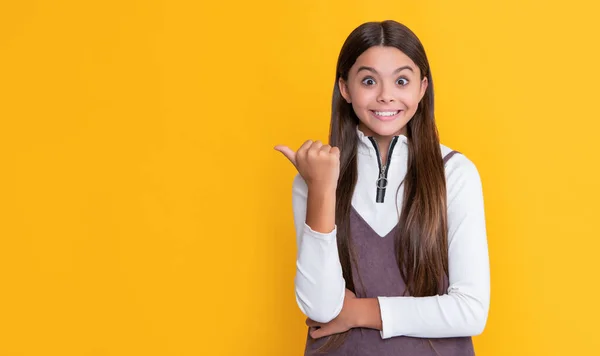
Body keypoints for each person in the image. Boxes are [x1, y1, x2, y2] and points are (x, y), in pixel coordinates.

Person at [274, 20, 490, 356]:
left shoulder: (456, 174)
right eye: (369, 81)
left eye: (401, 80)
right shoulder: (315, 177)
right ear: (345, 88)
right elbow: (319, 307)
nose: (386, 95)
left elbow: (471, 311)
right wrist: (321, 189)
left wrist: (359, 312)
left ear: (422, 88)